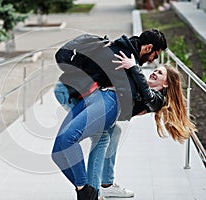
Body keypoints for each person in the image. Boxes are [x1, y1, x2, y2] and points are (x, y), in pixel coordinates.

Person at [53, 29, 167, 199]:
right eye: (155, 56)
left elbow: (145, 97)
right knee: (58, 150)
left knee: (75, 138)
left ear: (166, 84)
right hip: (90, 96)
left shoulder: (155, 95)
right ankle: (87, 190)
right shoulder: (125, 54)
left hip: (106, 102)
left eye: (159, 73)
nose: (153, 65)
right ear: (148, 47)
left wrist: (134, 68)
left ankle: (92, 189)